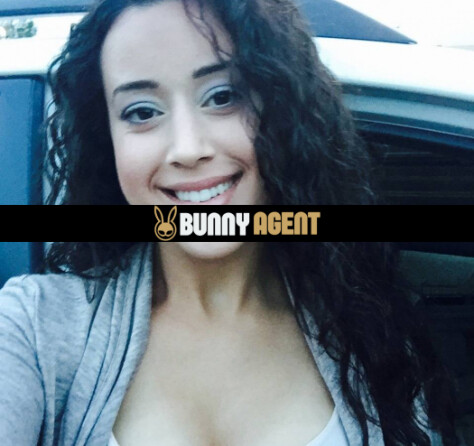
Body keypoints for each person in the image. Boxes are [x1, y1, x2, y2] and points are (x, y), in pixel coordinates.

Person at [0, 0, 459, 445]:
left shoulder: (371, 328)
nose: (187, 149)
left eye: (222, 97)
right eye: (141, 112)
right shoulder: (34, 328)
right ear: (108, 140)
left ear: (281, 114)